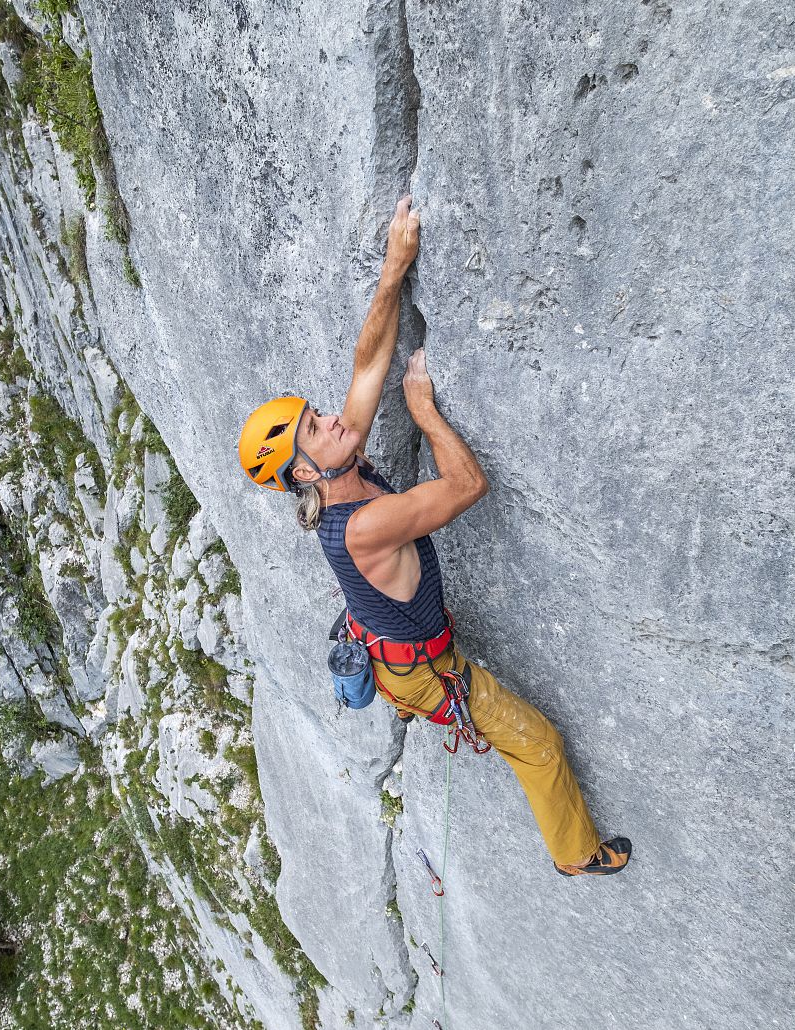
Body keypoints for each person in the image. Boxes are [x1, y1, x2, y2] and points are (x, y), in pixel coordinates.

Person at [238, 195, 632, 876]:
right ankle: (578, 854)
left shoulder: (343, 465)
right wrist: (424, 413)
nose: (332, 419)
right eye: (315, 428)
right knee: (537, 742)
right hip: (422, 675)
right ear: (305, 470)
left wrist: (394, 269)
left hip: (403, 650)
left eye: (318, 414)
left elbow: (367, 366)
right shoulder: (360, 526)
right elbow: (466, 486)